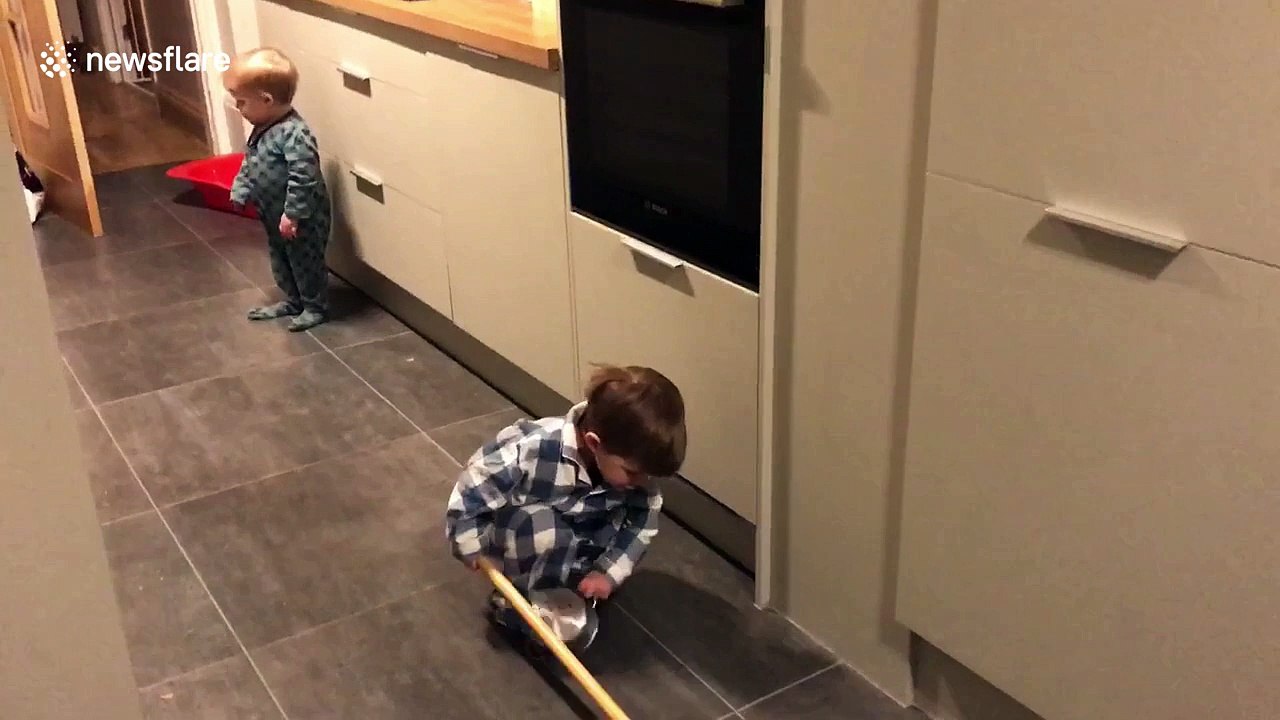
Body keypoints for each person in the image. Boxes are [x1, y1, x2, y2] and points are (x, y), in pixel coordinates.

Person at [445, 364, 686, 638]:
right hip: (526, 536)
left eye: (648, 475)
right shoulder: (531, 448)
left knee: (612, 525)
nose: (641, 482)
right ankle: (517, 600)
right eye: (632, 472)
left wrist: (607, 573)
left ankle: (565, 583)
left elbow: (641, 525)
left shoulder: (635, 475)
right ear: (594, 444)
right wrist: (471, 545)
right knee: (547, 532)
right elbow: (474, 487)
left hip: (582, 542)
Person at [226, 47, 331, 332]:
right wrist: (240, 187)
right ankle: (294, 299)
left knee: (305, 261)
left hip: (301, 217)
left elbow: (304, 176)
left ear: (266, 100)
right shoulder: (262, 127)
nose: (238, 108)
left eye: (241, 102)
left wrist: (293, 213)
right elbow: (251, 161)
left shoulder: (294, 133)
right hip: (272, 214)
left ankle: (314, 305)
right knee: (281, 259)